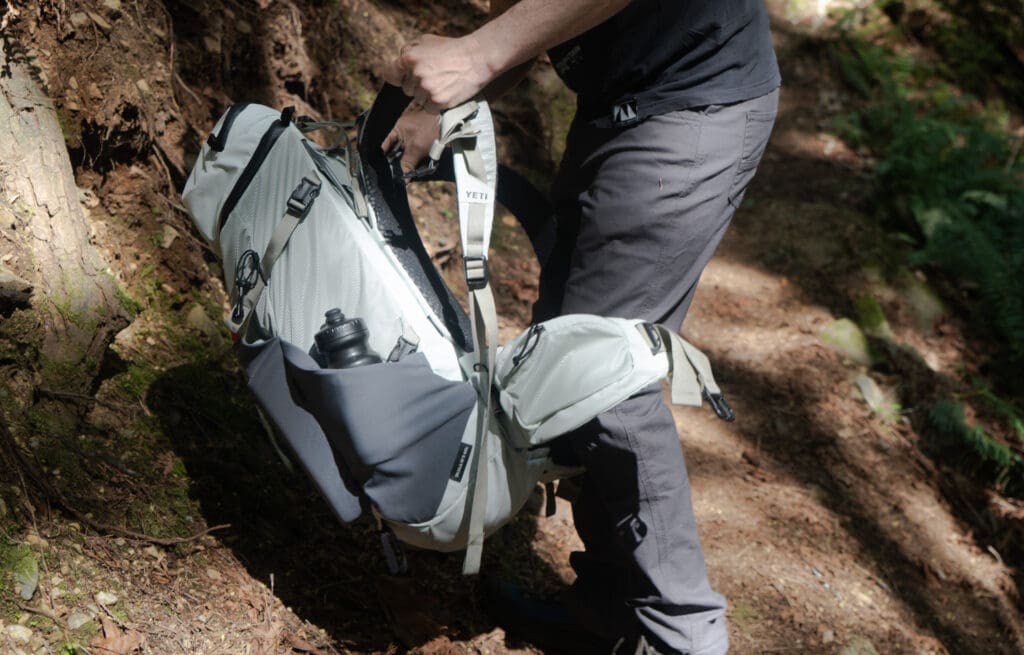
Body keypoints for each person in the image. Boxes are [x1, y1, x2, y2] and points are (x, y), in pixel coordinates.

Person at [383, 2, 780, 653]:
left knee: (600, 379)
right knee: (560, 362)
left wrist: (477, 54)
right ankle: (614, 609)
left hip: (691, 102)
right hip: (623, 104)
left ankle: (683, 634)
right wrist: (439, 103)